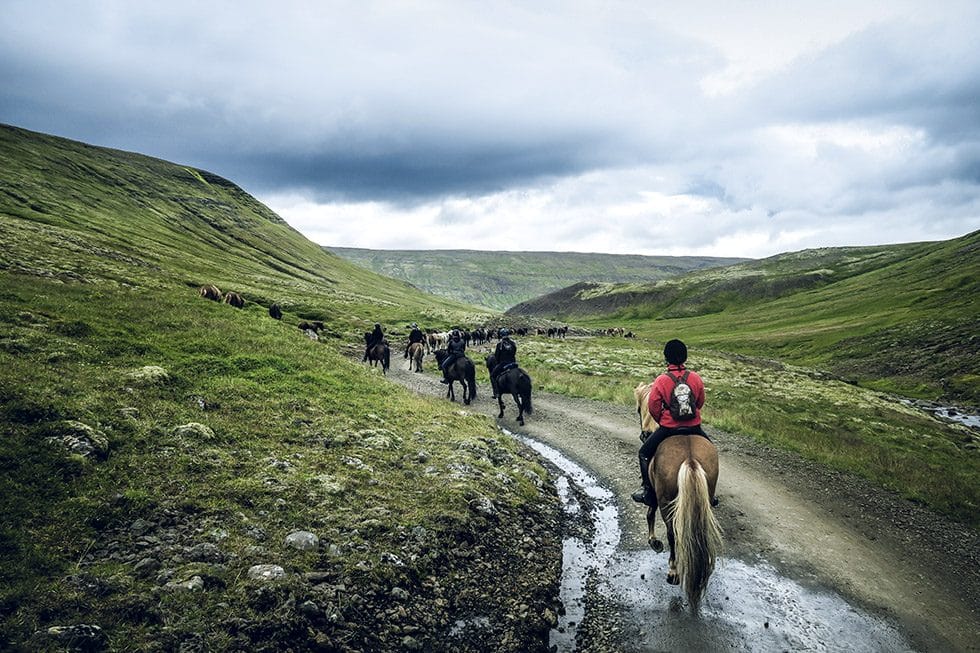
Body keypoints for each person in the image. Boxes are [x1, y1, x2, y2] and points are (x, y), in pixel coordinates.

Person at [632, 339, 708, 508]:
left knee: (643, 454)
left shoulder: (661, 380)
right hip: (694, 427)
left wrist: (664, 420)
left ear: (667, 358)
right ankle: (711, 495)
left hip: (668, 428)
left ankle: (648, 493)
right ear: (685, 358)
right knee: (711, 450)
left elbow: (653, 407)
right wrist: (691, 418)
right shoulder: (695, 378)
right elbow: (700, 401)